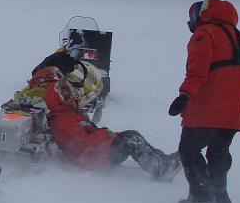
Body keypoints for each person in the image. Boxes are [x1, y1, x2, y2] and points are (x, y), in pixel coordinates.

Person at [168, 0, 240, 203]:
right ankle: (220, 198)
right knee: (218, 153)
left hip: (208, 109)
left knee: (189, 148)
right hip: (233, 113)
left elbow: (197, 71)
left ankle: (200, 195)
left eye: (192, 16)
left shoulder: (204, 34)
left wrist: (184, 96)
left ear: (200, 14)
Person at [44, 69, 180, 180]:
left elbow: (88, 131)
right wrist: (105, 134)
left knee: (131, 135)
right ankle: (161, 169)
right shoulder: (63, 119)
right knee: (131, 140)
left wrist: (108, 135)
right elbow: (83, 144)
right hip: (90, 159)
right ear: (60, 97)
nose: (74, 96)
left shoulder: (69, 112)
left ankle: (162, 160)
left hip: (95, 153)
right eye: (67, 94)